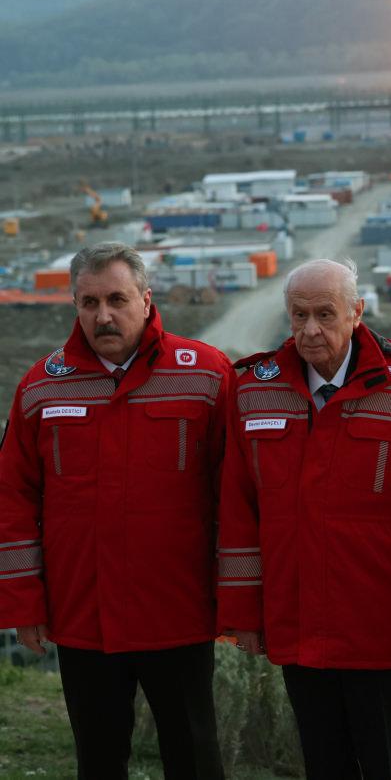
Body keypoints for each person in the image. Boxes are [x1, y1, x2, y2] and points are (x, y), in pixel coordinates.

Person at [0, 242, 233, 779]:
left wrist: (237, 596)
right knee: (99, 760)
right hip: (84, 615)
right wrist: (23, 602)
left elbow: (236, 496)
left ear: (147, 300)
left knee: (194, 756)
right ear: (75, 305)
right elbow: (13, 499)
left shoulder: (205, 375)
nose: (103, 315)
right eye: (88, 302)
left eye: (117, 299)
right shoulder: (41, 386)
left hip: (178, 611)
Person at [216, 259, 391, 780]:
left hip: (382, 623)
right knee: (323, 761)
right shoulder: (254, 390)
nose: (310, 330)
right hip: (295, 617)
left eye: (325, 314)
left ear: (357, 313)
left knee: (387, 762)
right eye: (298, 315)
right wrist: (244, 612)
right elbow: (238, 512)